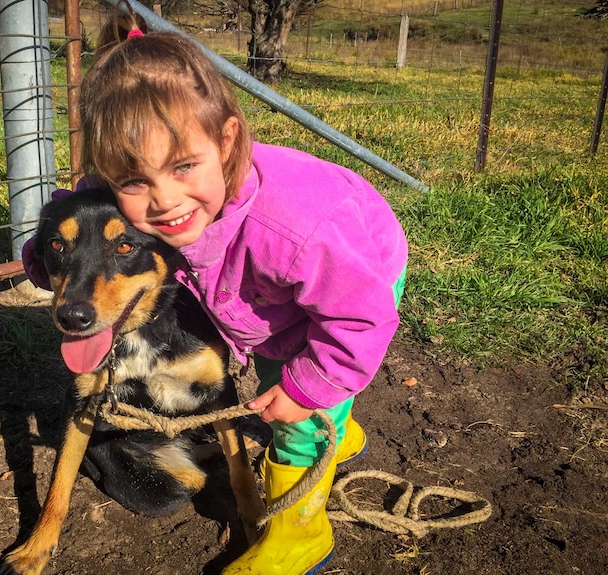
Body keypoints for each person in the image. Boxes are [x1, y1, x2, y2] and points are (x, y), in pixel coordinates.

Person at [70, 10, 407, 575]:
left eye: (183, 167)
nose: (163, 202)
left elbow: (358, 321)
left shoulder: (298, 229)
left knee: (296, 400)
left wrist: (309, 389)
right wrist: (46, 257)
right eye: (135, 181)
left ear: (227, 140)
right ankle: (340, 432)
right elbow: (85, 208)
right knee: (282, 362)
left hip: (352, 278)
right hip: (274, 289)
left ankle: (302, 535)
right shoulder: (156, 198)